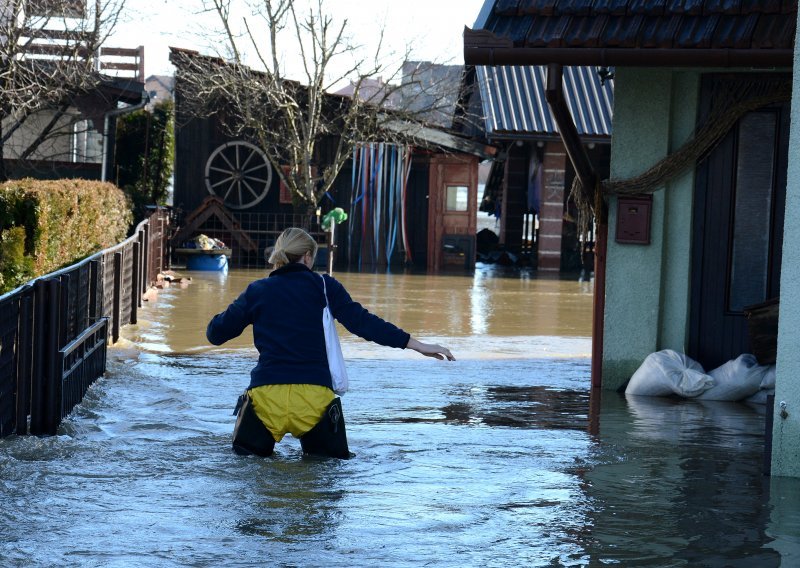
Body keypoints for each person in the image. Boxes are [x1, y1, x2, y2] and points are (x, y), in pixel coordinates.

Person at [206, 227, 455, 459]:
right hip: (315, 400)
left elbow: (215, 335)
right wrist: (417, 344)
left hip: (266, 399)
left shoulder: (257, 290)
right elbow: (364, 323)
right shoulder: (325, 286)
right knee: (327, 474)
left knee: (249, 468)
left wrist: (233, 311)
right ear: (306, 257)